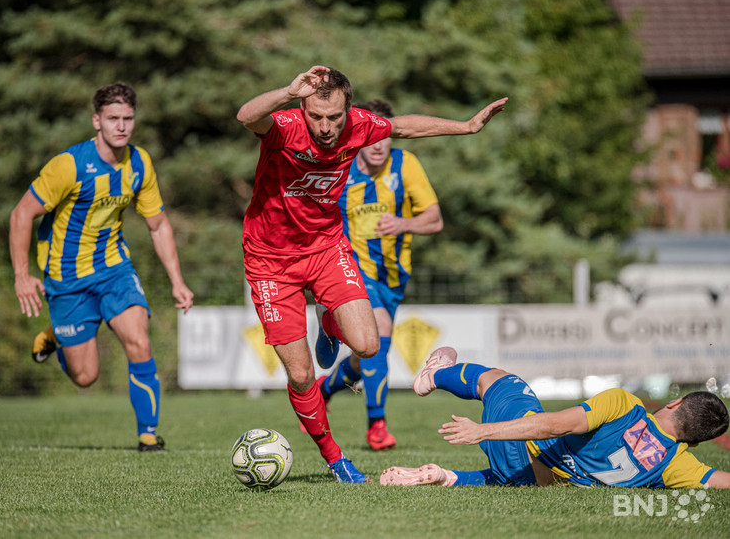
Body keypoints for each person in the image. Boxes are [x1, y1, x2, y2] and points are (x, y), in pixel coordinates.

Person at [236, 65, 506, 483]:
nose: (325, 127)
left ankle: (328, 322)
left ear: (348, 110)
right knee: (302, 375)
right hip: (270, 260)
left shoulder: (360, 125)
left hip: (326, 247)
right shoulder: (286, 126)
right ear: (303, 109)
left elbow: (404, 127)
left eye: (334, 117)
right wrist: (288, 91)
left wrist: (466, 126)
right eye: (316, 116)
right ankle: (335, 458)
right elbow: (247, 115)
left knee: (368, 345)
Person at [9, 82, 194, 452]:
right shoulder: (69, 165)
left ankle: (147, 434)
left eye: (128, 118)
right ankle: (56, 336)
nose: (121, 126)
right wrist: (22, 276)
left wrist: (177, 280)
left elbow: (158, 225)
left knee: (139, 340)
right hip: (66, 278)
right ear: (97, 121)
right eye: (113, 118)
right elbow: (21, 214)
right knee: (85, 376)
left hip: (114, 269)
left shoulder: (139, 163)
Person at [380, 346, 730, 488]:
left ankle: (434, 375)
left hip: (521, 447)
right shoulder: (677, 465)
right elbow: (722, 481)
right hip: (534, 480)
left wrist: (483, 431)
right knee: (510, 477)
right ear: (695, 442)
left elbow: (556, 424)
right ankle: (446, 477)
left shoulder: (625, 404)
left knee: (501, 381)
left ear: (675, 403)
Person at [313, 99, 444, 451]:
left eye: (384, 137)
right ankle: (377, 426)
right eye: (370, 138)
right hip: (351, 268)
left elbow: (434, 219)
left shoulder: (405, 164)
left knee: (367, 351)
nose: (378, 145)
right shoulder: (341, 167)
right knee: (380, 331)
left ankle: (326, 389)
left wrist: (403, 223)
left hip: (393, 275)